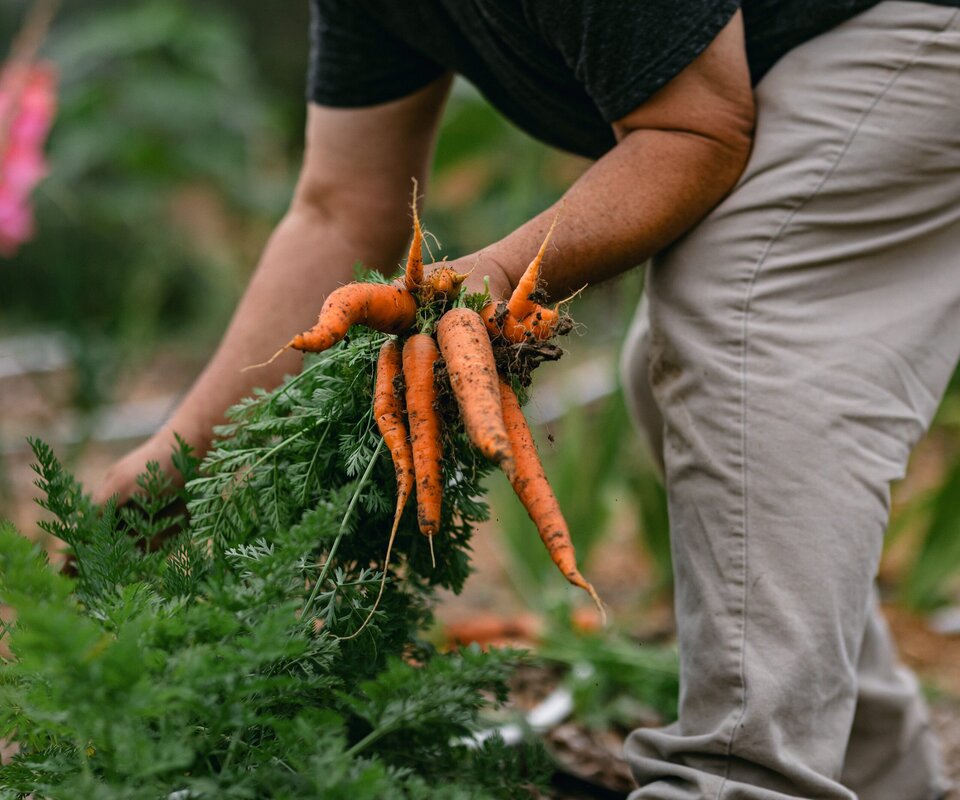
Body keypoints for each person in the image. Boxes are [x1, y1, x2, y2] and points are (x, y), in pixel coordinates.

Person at [97, 2, 958, 797]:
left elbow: (695, 127)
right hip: (782, 62)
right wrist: (174, 456)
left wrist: (496, 275)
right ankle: (882, 776)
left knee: (740, 322)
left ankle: (745, 778)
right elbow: (340, 209)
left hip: (897, 27)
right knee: (673, 386)